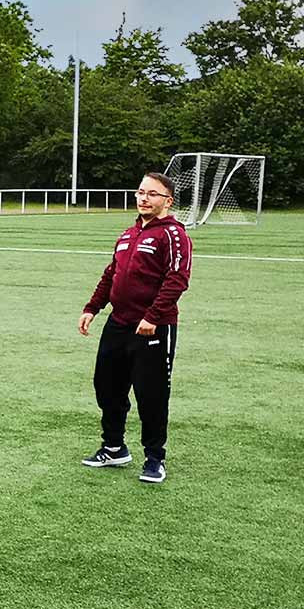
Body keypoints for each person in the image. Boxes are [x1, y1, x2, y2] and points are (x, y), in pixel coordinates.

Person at [79, 171, 192, 484]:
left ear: (167, 201)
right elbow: (110, 274)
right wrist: (92, 308)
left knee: (151, 394)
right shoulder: (128, 234)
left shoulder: (174, 234)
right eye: (141, 192)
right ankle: (114, 447)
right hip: (118, 323)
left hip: (152, 328)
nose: (144, 198)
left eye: (152, 194)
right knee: (107, 387)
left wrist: (153, 317)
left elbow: (177, 279)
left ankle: (155, 458)